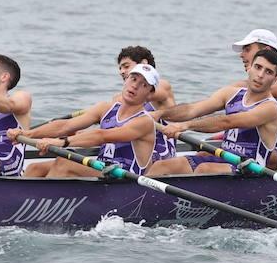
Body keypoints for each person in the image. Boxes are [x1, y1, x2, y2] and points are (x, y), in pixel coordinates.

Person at [9, 64, 162, 179]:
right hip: (103, 170)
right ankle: (21, 204)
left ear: (149, 94)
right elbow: (65, 125)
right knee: (35, 168)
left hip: (124, 179)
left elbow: (102, 135)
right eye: (133, 79)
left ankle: (41, 210)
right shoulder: (105, 108)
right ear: (126, 80)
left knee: (64, 163)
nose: (135, 86)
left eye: (143, 85)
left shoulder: (144, 122)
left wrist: (61, 143)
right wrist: (28, 133)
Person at [151, 47, 277, 175]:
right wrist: (159, 114)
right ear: (250, 68)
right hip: (225, 159)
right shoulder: (231, 94)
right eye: (258, 67)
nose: (260, 75)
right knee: (162, 166)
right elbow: (192, 110)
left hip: (250, 169)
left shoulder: (270, 108)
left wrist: (185, 126)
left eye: (268, 72)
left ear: (275, 78)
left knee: (205, 169)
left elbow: (227, 121)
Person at [227, 29, 277, 168]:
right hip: (248, 146)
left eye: (247, 49)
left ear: (266, 50)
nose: (241, 55)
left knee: (250, 154)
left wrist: (232, 89)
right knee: (202, 155)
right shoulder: (247, 85)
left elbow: (264, 90)